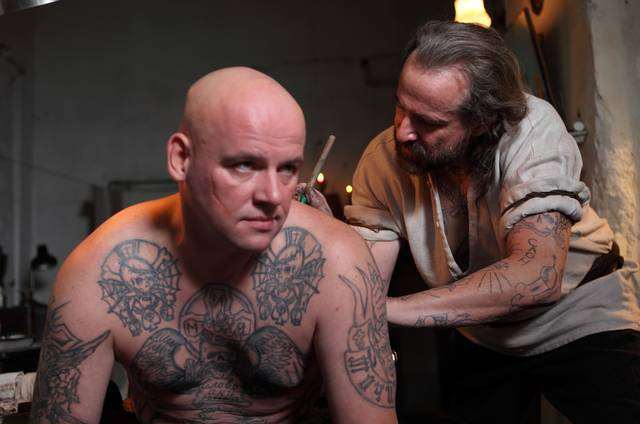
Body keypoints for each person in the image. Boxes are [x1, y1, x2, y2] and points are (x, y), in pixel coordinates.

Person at [29, 67, 398, 424]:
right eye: (244, 165)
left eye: (287, 168)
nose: (273, 196)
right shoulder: (99, 271)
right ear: (181, 159)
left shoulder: (336, 261)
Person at [333, 21, 639, 423]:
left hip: (580, 313)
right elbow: (364, 284)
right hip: (481, 331)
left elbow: (536, 277)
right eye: (401, 106)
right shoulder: (382, 160)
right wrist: (326, 240)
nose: (403, 131)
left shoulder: (532, 129)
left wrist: (389, 309)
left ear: (481, 120)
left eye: (429, 121)